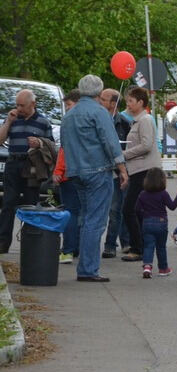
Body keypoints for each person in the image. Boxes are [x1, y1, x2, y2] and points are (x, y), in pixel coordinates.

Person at [60, 75, 129, 282]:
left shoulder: (69, 116)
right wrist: (122, 169)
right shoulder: (99, 112)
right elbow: (110, 142)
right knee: (95, 221)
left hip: (75, 171)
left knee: (84, 216)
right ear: (99, 93)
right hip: (98, 170)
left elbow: (64, 144)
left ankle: (84, 264)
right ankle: (88, 269)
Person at [0, 89, 55, 253]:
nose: (19, 108)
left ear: (33, 104)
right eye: (17, 104)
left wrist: (39, 142)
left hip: (31, 166)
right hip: (13, 163)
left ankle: (30, 241)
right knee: (8, 203)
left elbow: (52, 147)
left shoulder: (43, 122)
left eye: (22, 105)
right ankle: (3, 242)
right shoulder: (13, 119)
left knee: (31, 204)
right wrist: (8, 122)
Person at [120, 87, 162, 262]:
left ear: (140, 102)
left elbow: (146, 145)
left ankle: (138, 247)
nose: (128, 104)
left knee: (129, 209)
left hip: (144, 170)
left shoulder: (144, 120)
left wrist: (123, 154)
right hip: (138, 169)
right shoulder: (138, 120)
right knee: (136, 210)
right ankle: (142, 246)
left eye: (131, 101)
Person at [136, 167, 177, 278]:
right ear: (162, 180)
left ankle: (147, 266)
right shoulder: (163, 193)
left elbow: (137, 209)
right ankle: (163, 269)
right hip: (161, 222)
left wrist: (144, 218)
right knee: (161, 247)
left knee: (148, 246)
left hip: (147, 222)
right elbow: (172, 206)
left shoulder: (143, 194)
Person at [99, 88, 132, 258]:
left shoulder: (124, 123)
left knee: (119, 208)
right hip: (101, 170)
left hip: (120, 170)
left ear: (113, 103)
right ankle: (112, 242)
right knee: (108, 209)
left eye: (103, 99)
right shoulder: (97, 120)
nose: (99, 101)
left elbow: (129, 146)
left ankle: (117, 243)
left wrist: (123, 168)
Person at [53, 89, 81, 264]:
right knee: (80, 213)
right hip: (83, 173)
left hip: (69, 175)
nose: (67, 109)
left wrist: (58, 171)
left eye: (69, 105)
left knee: (70, 212)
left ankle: (68, 250)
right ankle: (76, 247)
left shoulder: (69, 122)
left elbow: (64, 150)